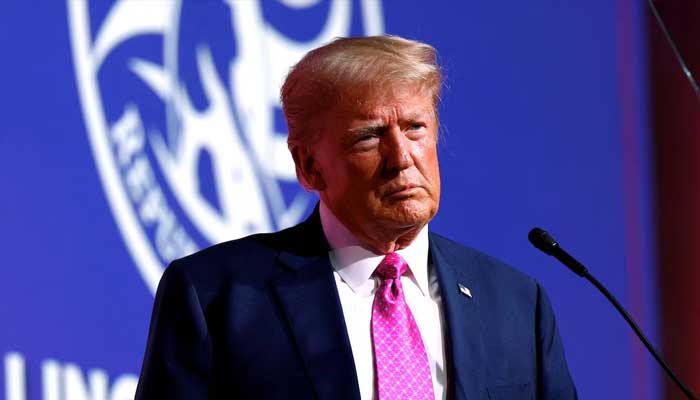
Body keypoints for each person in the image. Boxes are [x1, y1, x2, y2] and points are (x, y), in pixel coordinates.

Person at [135, 35, 577, 400]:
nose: (401, 157)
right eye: (369, 137)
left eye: (415, 128)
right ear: (309, 167)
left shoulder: (518, 304)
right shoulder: (217, 295)